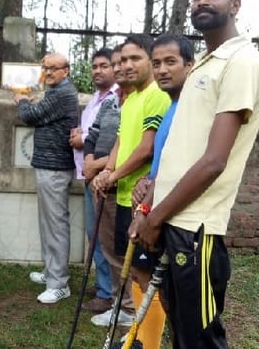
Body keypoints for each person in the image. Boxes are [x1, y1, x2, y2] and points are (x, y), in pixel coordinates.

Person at [128, 0, 259, 349]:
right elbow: (184, 147)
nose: (203, 1)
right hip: (173, 219)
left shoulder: (242, 63)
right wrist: (152, 195)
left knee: (200, 342)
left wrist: (154, 219)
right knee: (183, 336)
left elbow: (214, 161)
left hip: (196, 232)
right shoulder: (206, 64)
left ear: (235, 4)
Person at [90, 34, 170, 327]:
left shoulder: (156, 95)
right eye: (123, 60)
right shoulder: (131, 98)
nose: (127, 65)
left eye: (135, 58)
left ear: (150, 59)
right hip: (124, 194)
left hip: (143, 197)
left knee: (146, 274)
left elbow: (146, 148)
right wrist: (107, 171)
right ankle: (138, 330)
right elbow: (121, 141)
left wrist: (113, 174)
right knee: (134, 271)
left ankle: (148, 337)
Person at [125, 34, 194, 349]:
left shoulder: (189, 110)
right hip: (156, 209)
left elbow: (186, 168)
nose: (162, 70)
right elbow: (163, 163)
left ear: (189, 65)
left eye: (171, 62)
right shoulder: (172, 106)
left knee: (186, 312)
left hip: (178, 221)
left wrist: (147, 214)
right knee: (166, 295)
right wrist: (147, 182)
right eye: (157, 63)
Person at [15, 52, 79, 304]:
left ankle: (59, 284)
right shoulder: (55, 92)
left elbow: (30, 115)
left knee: (55, 225)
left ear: (66, 71)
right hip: (48, 166)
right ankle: (51, 272)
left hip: (55, 169)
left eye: (54, 68)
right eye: (45, 68)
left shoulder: (63, 93)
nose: (49, 72)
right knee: (48, 224)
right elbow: (41, 112)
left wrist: (21, 100)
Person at [81, 46, 137, 320]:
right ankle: (115, 299)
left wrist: (102, 168)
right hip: (99, 180)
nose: (118, 68)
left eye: (119, 63)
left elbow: (133, 147)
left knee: (119, 249)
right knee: (102, 242)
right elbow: (93, 135)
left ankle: (125, 306)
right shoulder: (109, 102)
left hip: (118, 183)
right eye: (116, 63)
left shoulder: (139, 100)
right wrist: (89, 161)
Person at [69, 47, 117, 313]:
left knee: (104, 235)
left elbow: (120, 140)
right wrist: (81, 137)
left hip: (106, 176)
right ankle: (103, 286)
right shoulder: (96, 100)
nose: (98, 71)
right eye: (95, 66)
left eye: (104, 66)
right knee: (94, 233)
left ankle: (107, 293)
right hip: (89, 174)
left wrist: (84, 141)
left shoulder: (117, 98)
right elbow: (93, 133)